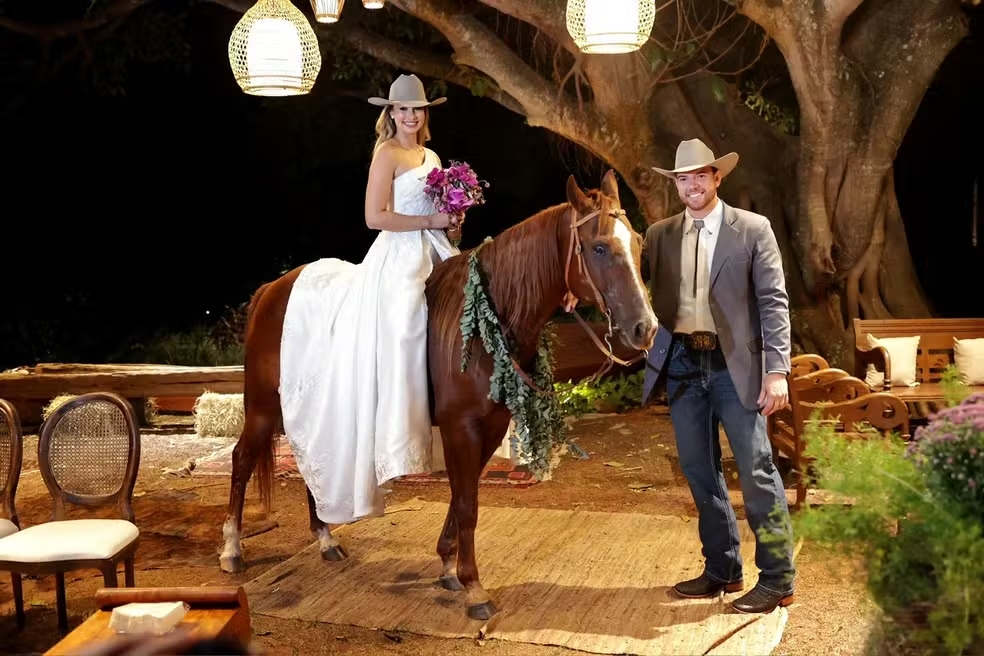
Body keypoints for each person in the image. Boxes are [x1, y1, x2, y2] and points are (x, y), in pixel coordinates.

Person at [278, 73, 460, 525]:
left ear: (425, 113)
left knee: (467, 306)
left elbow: (440, 218)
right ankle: (398, 435)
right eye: (403, 109)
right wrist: (429, 219)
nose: (411, 116)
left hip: (435, 245)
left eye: (417, 109)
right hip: (397, 254)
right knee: (403, 319)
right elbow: (373, 216)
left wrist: (452, 222)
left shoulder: (431, 155)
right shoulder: (388, 154)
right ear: (390, 114)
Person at [640, 138, 796, 614]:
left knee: (756, 471)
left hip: (737, 368)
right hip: (684, 364)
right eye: (683, 178)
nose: (692, 185)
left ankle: (777, 578)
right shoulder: (659, 234)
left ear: (716, 177)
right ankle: (723, 569)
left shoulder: (752, 229)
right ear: (676, 184)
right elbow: (632, 283)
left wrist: (777, 371)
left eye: (700, 176)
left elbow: (773, 302)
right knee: (698, 471)